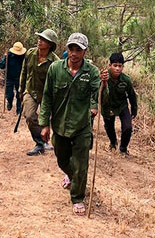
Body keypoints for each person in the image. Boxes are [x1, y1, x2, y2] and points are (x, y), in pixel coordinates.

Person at [39, 32, 108, 216]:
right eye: (72, 48)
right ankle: (72, 176)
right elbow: (47, 97)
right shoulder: (55, 69)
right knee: (62, 159)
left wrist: (104, 85)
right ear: (67, 49)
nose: (74, 53)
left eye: (79, 50)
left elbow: (99, 97)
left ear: (85, 52)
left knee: (81, 164)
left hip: (82, 126)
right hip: (60, 125)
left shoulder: (92, 72)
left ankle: (77, 197)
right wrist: (44, 124)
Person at [19, 28, 59, 156]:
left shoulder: (55, 62)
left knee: (46, 119)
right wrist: (21, 90)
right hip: (31, 90)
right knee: (30, 116)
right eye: (39, 38)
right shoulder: (30, 53)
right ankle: (39, 143)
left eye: (44, 40)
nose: (40, 41)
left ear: (50, 44)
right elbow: (24, 72)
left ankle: (46, 140)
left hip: (48, 94)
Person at [101, 52, 138, 156]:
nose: (117, 68)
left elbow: (132, 95)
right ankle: (113, 143)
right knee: (109, 127)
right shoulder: (104, 77)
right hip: (107, 106)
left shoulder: (126, 80)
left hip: (122, 105)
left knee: (128, 127)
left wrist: (134, 109)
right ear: (110, 66)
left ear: (123, 67)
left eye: (120, 66)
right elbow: (96, 93)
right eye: (115, 65)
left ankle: (123, 149)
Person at [0, 41, 27, 112]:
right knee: (9, 94)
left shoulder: (24, 57)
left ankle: (18, 110)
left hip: (19, 78)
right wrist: (5, 57)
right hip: (9, 78)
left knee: (19, 95)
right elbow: (1, 66)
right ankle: (10, 102)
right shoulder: (9, 55)